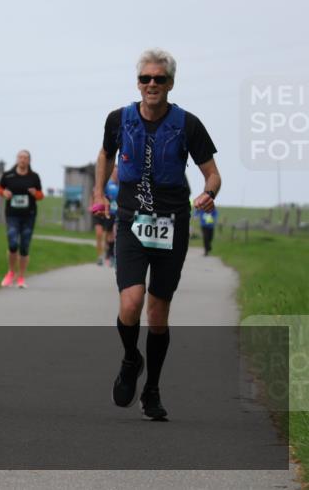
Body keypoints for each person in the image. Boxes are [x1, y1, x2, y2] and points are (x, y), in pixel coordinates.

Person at [92, 48, 220, 421]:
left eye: (159, 79)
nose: (152, 85)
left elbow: (212, 173)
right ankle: (132, 358)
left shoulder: (188, 124)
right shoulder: (118, 119)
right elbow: (105, 155)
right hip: (132, 220)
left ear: (170, 84)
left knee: (158, 313)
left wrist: (209, 194)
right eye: (145, 79)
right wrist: (99, 192)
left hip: (172, 221)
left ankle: (152, 389)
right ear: (138, 82)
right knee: (131, 304)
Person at [0, 150, 44, 288]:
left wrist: (35, 193)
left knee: (24, 246)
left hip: (29, 215)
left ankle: (21, 277)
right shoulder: (8, 175)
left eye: (25, 158)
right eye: (20, 157)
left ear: (29, 160)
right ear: (17, 159)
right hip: (12, 214)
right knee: (12, 243)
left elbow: (41, 195)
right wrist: (4, 193)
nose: (23, 160)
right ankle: (11, 272)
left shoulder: (34, 177)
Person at [92, 166, 119, 266]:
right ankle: (100, 256)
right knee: (99, 234)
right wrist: (92, 205)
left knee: (109, 236)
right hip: (100, 211)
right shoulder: (104, 183)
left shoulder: (118, 186)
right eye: (115, 172)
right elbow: (95, 194)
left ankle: (109, 255)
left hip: (110, 213)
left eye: (117, 172)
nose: (116, 174)